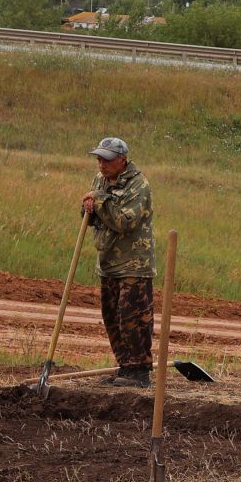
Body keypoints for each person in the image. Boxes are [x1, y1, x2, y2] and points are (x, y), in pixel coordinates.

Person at [79, 137, 155, 387]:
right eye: (99, 158)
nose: (102, 164)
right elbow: (92, 216)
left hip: (134, 264)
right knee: (111, 315)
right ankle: (125, 367)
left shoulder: (138, 184)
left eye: (107, 159)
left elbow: (125, 222)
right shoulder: (100, 180)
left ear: (122, 159)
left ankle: (140, 370)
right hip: (108, 261)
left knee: (131, 316)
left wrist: (99, 201)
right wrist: (87, 207)